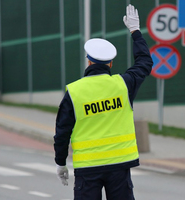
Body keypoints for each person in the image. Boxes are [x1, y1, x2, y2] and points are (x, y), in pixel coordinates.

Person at [54, 4, 153, 200]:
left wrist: (60, 162)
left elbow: (62, 131)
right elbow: (144, 63)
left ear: (88, 61)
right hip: (119, 166)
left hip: (87, 169)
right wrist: (135, 32)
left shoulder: (74, 92)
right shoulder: (124, 85)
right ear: (111, 64)